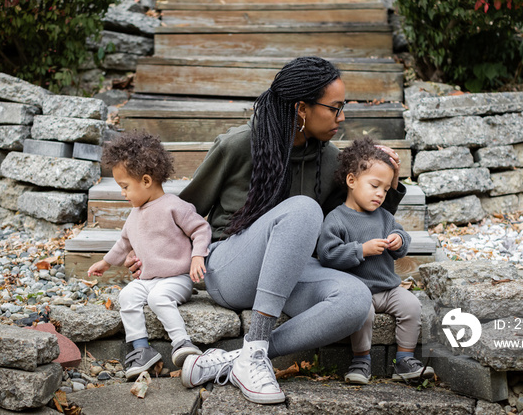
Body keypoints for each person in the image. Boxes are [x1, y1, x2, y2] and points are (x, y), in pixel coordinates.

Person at [125, 56, 406, 404]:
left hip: (290, 271)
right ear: (301, 108)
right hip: (231, 268)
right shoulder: (240, 144)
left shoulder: (331, 159)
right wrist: (150, 254)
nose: (342, 117)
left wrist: (383, 179)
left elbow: (352, 220)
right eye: (335, 108)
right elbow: (182, 210)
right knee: (304, 209)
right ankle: (256, 349)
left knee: (356, 300)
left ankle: (241, 358)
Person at [87, 131, 211, 380]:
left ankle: (182, 342)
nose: (122, 193)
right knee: (127, 295)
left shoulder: (174, 206)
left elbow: (201, 229)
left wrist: (198, 256)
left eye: (125, 187)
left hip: (177, 278)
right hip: (148, 279)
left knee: (158, 297)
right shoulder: (134, 214)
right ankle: (141, 348)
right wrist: (105, 262)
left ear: (145, 181)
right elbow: (123, 243)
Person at [316, 137, 434, 385]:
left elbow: (402, 235)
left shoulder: (384, 217)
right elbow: (327, 254)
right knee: (363, 313)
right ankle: (361, 359)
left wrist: (399, 241)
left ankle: (404, 359)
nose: (380, 194)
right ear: (351, 181)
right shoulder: (336, 219)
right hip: (358, 290)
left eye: (385, 189)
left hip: (388, 289)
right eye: (374, 186)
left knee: (412, 306)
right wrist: (362, 250)